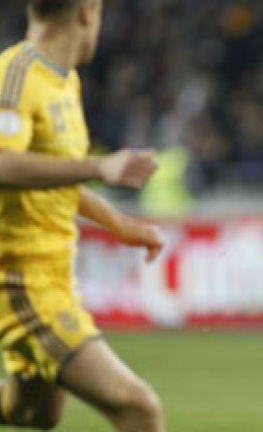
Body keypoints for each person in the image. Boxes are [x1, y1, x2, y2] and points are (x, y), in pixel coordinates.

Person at [0, 0, 164, 430]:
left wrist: (119, 224)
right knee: (138, 407)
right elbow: (3, 164)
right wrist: (99, 167)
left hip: (56, 277)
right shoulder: (16, 75)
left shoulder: (64, 79)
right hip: (22, 281)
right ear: (88, 10)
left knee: (33, 412)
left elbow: (52, 173)